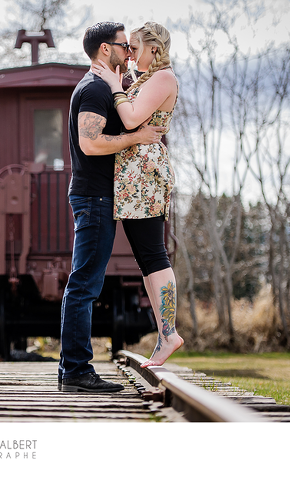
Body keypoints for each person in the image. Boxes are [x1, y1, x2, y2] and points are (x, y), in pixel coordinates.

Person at [59, 22, 167, 392]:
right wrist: (136, 136)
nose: (130, 52)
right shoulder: (93, 90)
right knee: (84, 285)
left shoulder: (106, 88)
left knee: (85, 283)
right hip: (94, 197)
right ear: (106, 50)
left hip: (101, 197)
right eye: (124, 45)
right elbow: (90, 144)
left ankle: (72, 370)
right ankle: (75, 372)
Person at [92, 21, 184, 367]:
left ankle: (169, 332)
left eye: (134, 47)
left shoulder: (163, 78)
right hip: (133, 174)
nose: (128, 53)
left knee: (154, 255)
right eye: (126, 47)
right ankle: (165, 334)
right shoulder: (146, 79)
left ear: (153, 50)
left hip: (144, 173)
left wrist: (115, 85)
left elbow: (131, 119)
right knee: (146, 259)